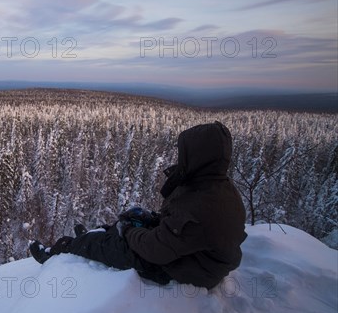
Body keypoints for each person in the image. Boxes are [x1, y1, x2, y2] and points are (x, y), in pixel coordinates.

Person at [29, 121, 247, 289]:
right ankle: (95, 236)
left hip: (183, 268)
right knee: (124, 227)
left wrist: (130, 231)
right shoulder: (218, 186)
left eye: (184, 153)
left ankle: (58, 252)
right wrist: (153, 220)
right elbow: (186, 228)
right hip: (196, 259)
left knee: (114, 244)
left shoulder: (202, 204)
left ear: (197, 156)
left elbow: (156, 251)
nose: (181, 158)